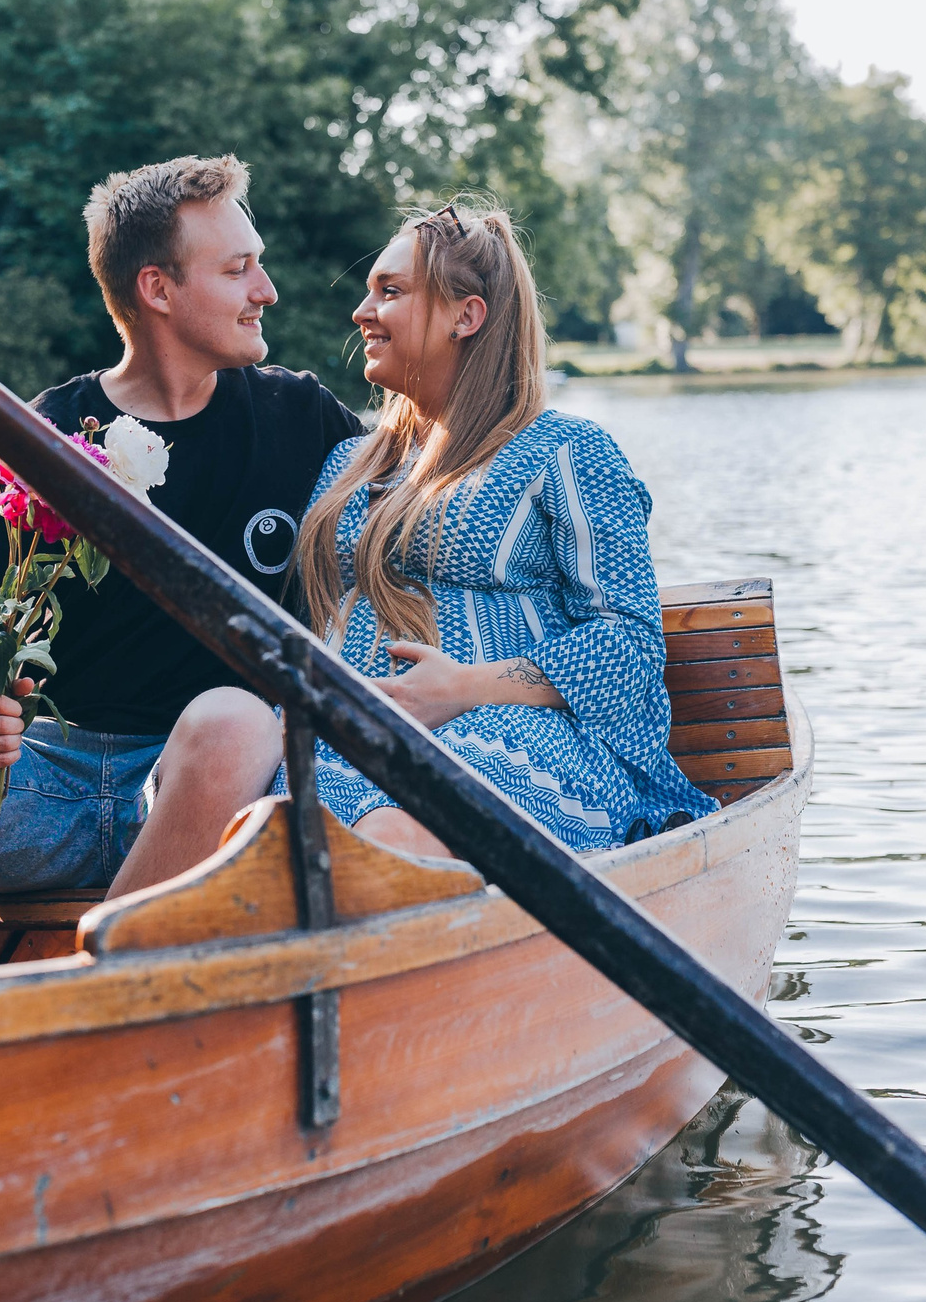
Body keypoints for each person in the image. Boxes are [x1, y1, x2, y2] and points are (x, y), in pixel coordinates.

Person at [0, 154, 363, 981]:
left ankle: (85, 1004)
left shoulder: (302, 416)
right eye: (238, 268)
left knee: (236, 720)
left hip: (203, 791)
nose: (267, 290)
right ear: (157, 289)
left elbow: (423, 500)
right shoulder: (48, 430)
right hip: (40, 781)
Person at [284, 201, 713, 858]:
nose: (361, 312)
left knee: (392, 830)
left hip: (516, 743)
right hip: (345, 735)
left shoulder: (566, 452)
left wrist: (465, 687)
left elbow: (630, 649)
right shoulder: (349, 461)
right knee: (241, 773)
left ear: (466, 316)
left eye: (390, 291)